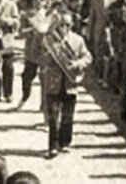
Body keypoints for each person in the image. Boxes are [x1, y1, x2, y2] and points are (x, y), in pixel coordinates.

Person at [39, 12, 92, 158]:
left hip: (70, 84)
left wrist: (77, 64)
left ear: (72, 25)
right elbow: (40, 59)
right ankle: (52, 146)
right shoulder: (48, 40)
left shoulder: (77, 40)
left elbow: (88, 57)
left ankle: (64, 142)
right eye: (62, 25)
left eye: (68, 25)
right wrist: (47, 57)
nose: (65, 28)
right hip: (53, 83)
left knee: (68, 117)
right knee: (53, 117)